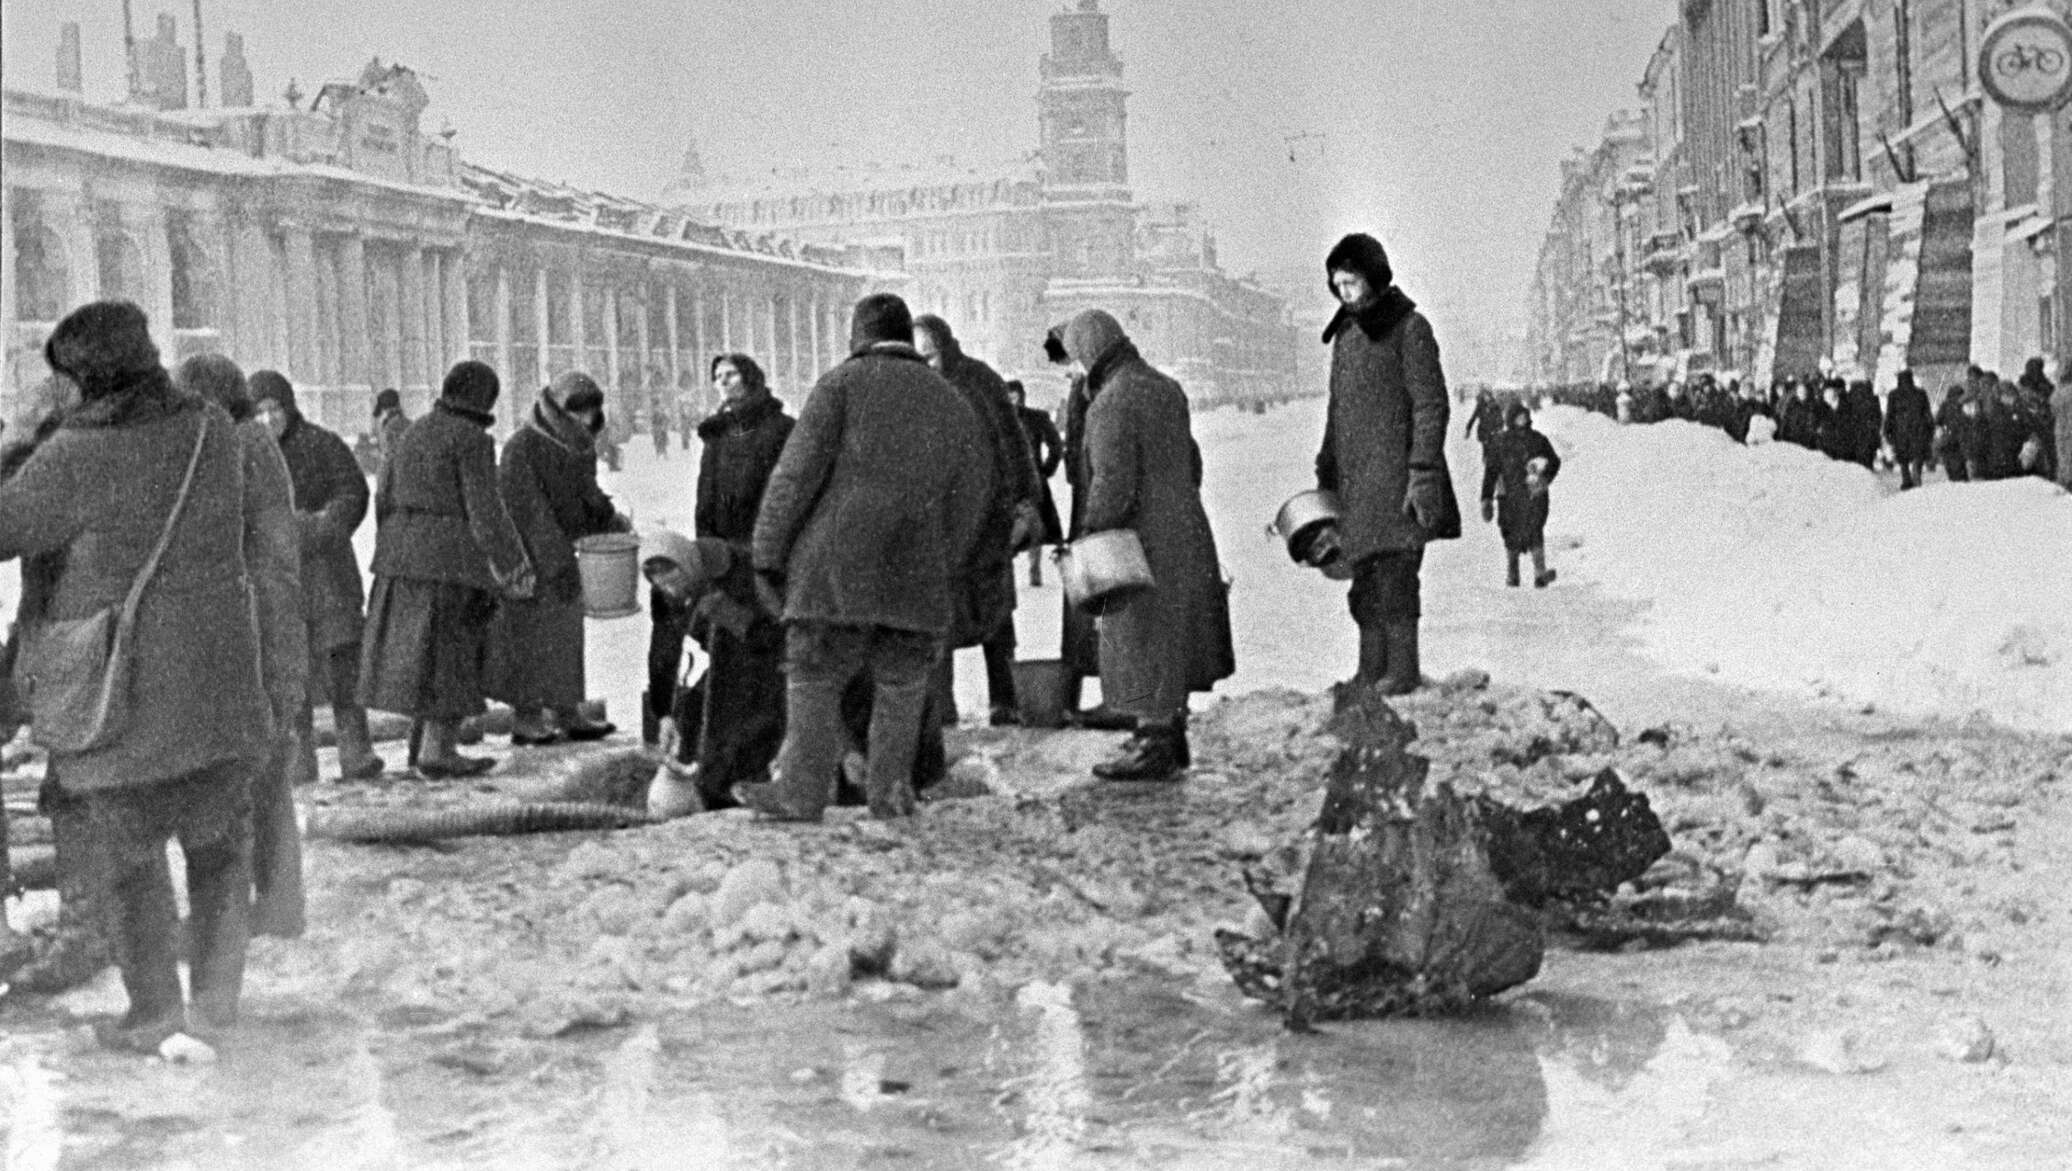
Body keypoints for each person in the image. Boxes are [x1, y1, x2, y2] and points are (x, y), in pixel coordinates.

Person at [0, 301, 281, 1050]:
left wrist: (26, 434)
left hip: (122, 697)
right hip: (220, 683)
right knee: (220, 852)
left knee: (131, 862)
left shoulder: (75, 454)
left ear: (83, 377)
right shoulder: (212, 432)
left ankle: (156, 1013)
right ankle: (217, 1008)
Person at [739, 293, 990, 821]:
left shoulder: (841, 385)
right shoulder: (951, 401)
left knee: (814, 674)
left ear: (859, 334)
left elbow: (795, 476)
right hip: (916, 571)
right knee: (900, 685)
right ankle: (891, 791)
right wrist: (942, 559)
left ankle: (801, 793)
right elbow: (971, 496)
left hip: (832, 566)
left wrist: (767, 553)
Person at [1057, 308, 1234, 780]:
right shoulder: (1165, 387)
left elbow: (1113, 482)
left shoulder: (1111, 401)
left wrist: (1091, 534)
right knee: (1169, 636)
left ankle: (1153, 744)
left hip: (1140, 540)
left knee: (1142, 638)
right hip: (1184, 530)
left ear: (1091, 353)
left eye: (1075, 359)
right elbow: (1192, 462)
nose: (1074, 370)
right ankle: (1170, 737)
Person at [177, 357, 310, 940]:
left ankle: (264, 909)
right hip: (268, 621)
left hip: (258, 626)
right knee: (265, 773)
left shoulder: (236, 449)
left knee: (252, 776)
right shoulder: (252, 442)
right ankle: (279, 903)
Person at [359, 360, 535, 778]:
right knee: (448, 655)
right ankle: (437, 752)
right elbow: (486, 512)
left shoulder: (411, 431)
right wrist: (514, 567)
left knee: (419, 658)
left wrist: (393, 548)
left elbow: (382, 495)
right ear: (484, 399)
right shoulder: (472, 439)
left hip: (400, 558)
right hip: (449, 563)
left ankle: (421, 746)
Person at [1309, 232, 1462, 694]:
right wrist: (1326, 468)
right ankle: (1369, 667)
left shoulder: (1409, 327)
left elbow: (1430, 405)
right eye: (1337, 284)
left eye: (1350, 282)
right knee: (1364, 583)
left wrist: (1423, 474)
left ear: (1373, 278)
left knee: (1396, 577)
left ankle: (1403, 668)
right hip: (1356, 486)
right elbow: (1338, 409)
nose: (1343, 293)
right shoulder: (1347, 335)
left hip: (1398, 483)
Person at [643, 353, 794, 811]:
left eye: (730, 375)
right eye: (717, 377)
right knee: (709, 653)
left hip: (759, 552)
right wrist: (702, 551)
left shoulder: (779, 430)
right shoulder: (716, 435)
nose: (723, 383)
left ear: (751, 379)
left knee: (741, 657)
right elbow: (705, 500)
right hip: (719, 549)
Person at [248, 370, 385, 782]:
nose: (270, 419)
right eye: (260, 412)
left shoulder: (322, 444)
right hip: (279, 583)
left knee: (344, 666)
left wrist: (323, 525)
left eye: (275, 408)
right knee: (292, 676)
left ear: (289, 406)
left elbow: (353, 492)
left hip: (329, 576)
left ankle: (356, 753)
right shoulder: (250, 457)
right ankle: (298, 762)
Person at [913, 315, 1042, 727]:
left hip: (987, 517)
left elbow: (1012, 442)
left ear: (945, 346)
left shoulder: (979, 380)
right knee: (939, 618)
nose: (925, 361)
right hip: (939, 522)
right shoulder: (914, 387)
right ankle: (941, 708)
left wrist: (1024, 498)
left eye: (930, 353)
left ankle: (1005, 701)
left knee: (996, 615)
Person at [488, 371, 629, 745]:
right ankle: (527, 717)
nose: (587, 418)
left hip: (564, 555)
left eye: (592, 410)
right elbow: (528, 511)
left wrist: (607, 517)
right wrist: (554, 561)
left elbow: (586, 494)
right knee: (528, 642)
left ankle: (567, 709)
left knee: (566, 639)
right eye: (577, 410)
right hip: (529, 561)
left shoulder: (579, 446)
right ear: (557, 409)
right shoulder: (523, 446)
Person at [640, 529, 785, 817]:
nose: (670, 591)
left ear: (689, 566)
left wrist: (735, 619)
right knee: (700, 730)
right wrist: (664, 712)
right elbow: (665, 649)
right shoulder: (666, 589)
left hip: (758, 667)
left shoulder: (745, 573)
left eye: (674, 581)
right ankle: (712, 793)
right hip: (712, 664)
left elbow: (781, 638)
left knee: (748, 734)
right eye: (661, 585)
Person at [1479, 401, 1562, 588]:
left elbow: (1554, 461)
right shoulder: (1500, 442)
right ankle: (1512, 571)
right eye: (1518, 417)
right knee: (1510, 532)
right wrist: (1486, 499)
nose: (1522, 420)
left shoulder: (1538, 440)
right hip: (1508, 496)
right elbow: (1490, 472)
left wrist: (1545, 478)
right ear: (1510, 419)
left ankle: (1540, 572)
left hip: (1534, 495)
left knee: (1535, 529)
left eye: (1524, 416)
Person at [1009, 379, 1065, 587]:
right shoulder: (1029, 419)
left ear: (1022, 397)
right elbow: (1056, 447)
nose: (1012, 402)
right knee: (1028, 523)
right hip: (1022, 480)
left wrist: (1047, 469)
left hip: (1028, 481)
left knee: (1032, 523)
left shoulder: (1033, 418)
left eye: (1015, 398)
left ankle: (1033, 568)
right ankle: (1026, 566)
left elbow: (1056, 447)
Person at [1884, 370, 1935, 489]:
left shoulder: (1894, 395)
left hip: (1900, 432)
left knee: (1903, 460)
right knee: (1918, 457)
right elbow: (1927, 414)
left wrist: (1888, 432)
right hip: (1918, 432)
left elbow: (1890, 415)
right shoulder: (1920, 393)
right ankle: (1916, 479)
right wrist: (1930, 431)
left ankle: (1906, 481)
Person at [373, 387, 409, 476]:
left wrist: (379, 455)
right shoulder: (406, 422)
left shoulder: (392, 426)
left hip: (395, 476)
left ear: (386, 408)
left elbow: (390, 456)